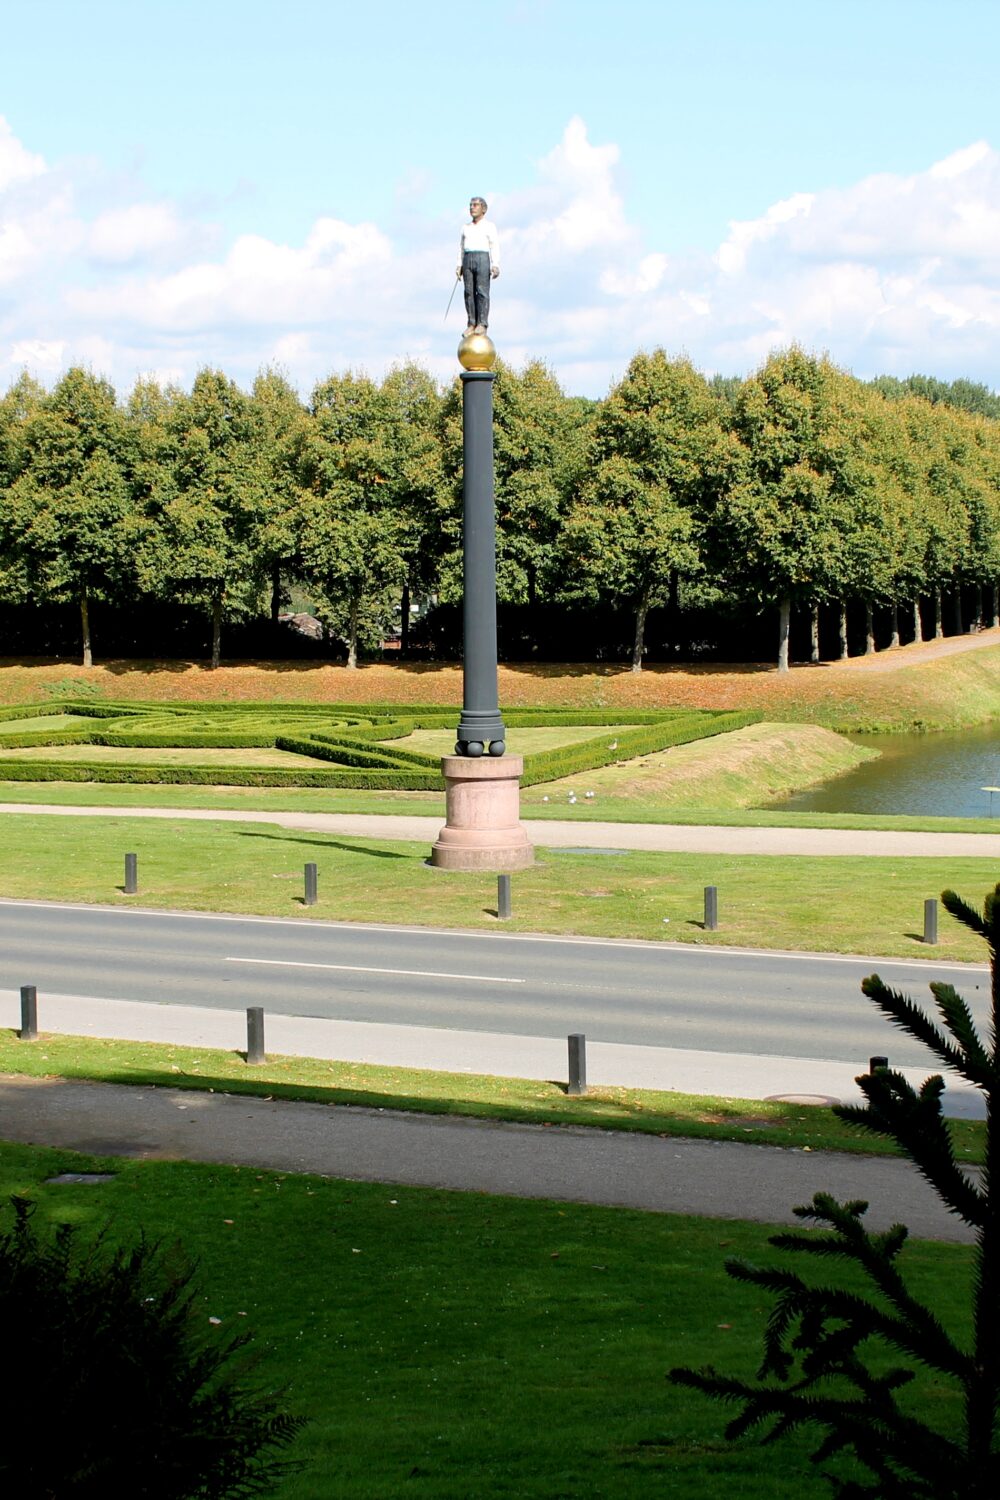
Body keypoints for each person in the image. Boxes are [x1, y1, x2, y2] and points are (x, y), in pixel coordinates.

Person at [456, 196, 500, 335]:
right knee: (469, 292)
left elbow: (494, 245)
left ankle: (482, 323)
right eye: (470, 205)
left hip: (483, 257)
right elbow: (461, 247)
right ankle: (471, 323)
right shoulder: (465, 227)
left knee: (481, 292)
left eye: (475, 205)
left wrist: (495, 264)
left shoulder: (489, 226)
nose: (472, 208)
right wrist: (459, 265)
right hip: (468, 258)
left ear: (483, 209)